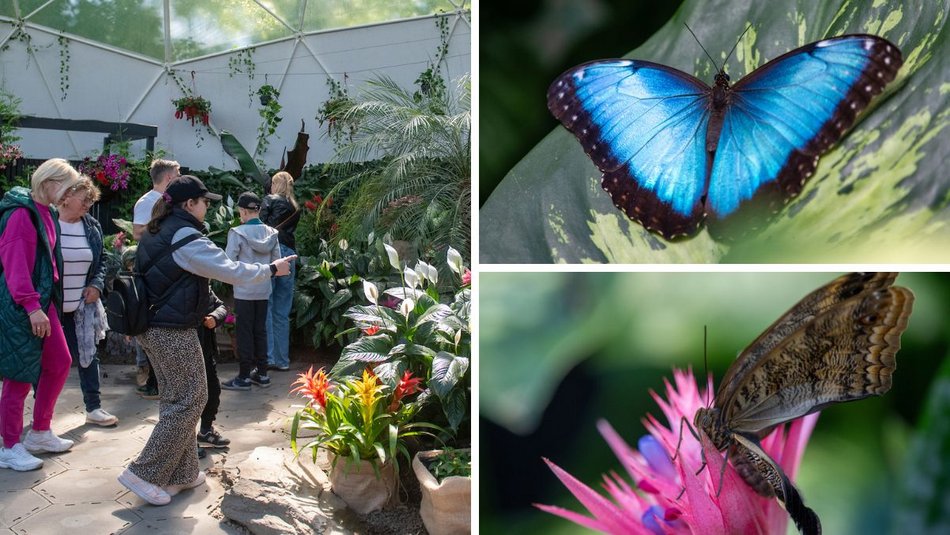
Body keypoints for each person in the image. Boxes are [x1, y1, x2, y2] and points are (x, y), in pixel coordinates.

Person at [118, 175, 295, 506]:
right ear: (189, 204)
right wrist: (272, 269)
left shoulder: (159, 229)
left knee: (178, 398)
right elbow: (231, 270)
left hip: (154, 326)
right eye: (205, 201)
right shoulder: (185, 236)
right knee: (190, 399)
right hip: (171, 329)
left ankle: (181, 474)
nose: (207, 207)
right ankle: (143, 473)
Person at [0, 158, 81, 471]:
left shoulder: (44, 211)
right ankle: (9, 446)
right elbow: (15, 264)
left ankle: (40, 432)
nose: (69, 194)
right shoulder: (21, 214)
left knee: (59, 362)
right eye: (67, 187)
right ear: (49, 182)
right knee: (18, 376)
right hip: (22, 305)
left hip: (40, 302)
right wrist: (32, 306)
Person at [57, 176, 116, 426]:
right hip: (51, 306)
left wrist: (96, 285)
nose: (88, 205)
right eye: (84, 199)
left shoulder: (91, 225)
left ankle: (93, 407)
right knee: (48, 360)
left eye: (92, 201)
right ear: (66, 196)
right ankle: (42, 410)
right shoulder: (47, 222)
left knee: (88, 356)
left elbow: (102, 260)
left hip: (81, 307)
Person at [222, 192, 280, 391]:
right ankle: (262, 373)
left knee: (244, 332)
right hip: (264, 289)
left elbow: (228, 262)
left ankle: (244, 376)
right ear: (259, 210)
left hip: (244, 290)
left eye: (240, 212)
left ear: (244, 211)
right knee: (261, 330)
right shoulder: (272, 233)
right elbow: (277, 264)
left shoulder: (237, 233)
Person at [131, 159, 180, 393]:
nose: (179, 176)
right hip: (151, 268)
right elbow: (137, 232)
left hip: (167, 266)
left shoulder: (171, 201)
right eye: (177, 173)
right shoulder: (147, 201)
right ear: (168, 177)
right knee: (147, 319)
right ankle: (148, 373)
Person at [259, 172, 300, 372]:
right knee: (282, 310)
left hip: (272, 253)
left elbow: (261, 227)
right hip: (290, 254)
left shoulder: (269, 200)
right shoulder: (295, 206)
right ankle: (282, 360)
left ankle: (268, 358)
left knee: (267, 304)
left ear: (275, 184)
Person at [197, 287, 230, 455]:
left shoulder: (203, 283)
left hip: (206, 349)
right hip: (183, 351)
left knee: (213, 390)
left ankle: (205, 431)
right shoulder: (177, 282)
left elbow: (221, 306)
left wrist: (214, 317)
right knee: (187, 399)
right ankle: (184, 443)